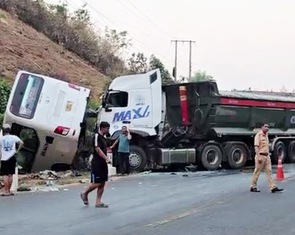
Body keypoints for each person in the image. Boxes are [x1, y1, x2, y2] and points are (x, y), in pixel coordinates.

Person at [80, 121, 111, 208]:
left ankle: (98, 202)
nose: (108, 130)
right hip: (97, 162)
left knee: (103, 182)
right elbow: (97, 149)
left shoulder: (104, 138)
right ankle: (84, 193)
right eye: (107, 128)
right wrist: (106, 158)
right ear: (102, 128)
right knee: (97, 182)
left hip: (103, 163)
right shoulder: (97, 136)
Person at [250, 123, 284, 193]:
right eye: (265, 126)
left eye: (268, 127)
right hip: (260, 156)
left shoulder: (266, 135)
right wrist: (258, 156)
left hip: (267, 156)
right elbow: (256, 146)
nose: (267, 128)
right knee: (257, 172)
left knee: (269, 172)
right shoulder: (258, 135)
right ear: (261, 127)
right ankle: (253, 186)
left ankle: (273, 187)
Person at [0, 124, 23, 196]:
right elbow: (21, 143)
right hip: (12, 157)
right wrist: (17, 151)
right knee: (10, 174)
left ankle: (6, 191)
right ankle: (9, 191)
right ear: (9, 130)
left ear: (3, 131)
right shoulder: (14, 137)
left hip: (4, 158)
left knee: (5, 175)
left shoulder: (1, 139)